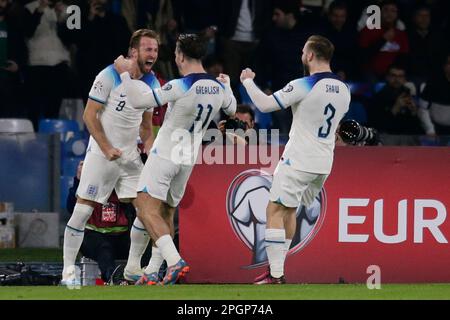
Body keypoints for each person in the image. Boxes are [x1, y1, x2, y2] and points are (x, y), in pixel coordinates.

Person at [114, 32, 237, 285]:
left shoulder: (181, 84)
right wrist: (228, 85)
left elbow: (138, 101)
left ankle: (174, 261)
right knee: (166, 212)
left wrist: (123, 73)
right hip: (188, 158)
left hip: (167, 153)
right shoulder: (217, 87)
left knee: (145, 207)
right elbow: (232, 109)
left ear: (180, 55)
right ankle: (151, 272)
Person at [240, 35, 350, 284]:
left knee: (274, 209)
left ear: (310, 55)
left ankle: (276, 274)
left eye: (303, 52)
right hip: (323, 163)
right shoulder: (344, 89)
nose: (302, 56)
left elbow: (266, 105)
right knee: (289, 210)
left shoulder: (304, 84)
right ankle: (277, 270)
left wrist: (248, 82)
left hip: (299, 158)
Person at [61, 29, 161, 286]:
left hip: (129, 157)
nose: (153, 54)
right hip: (102, 153)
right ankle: (68, 271)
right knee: (83, 210)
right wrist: (106, 148)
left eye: (156, 50)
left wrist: (150, 148)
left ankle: (132, 268)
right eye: (148, 49)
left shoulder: (152, 83)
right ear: (134, 51)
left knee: (147, 210)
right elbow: (89, 115)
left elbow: (146, 126)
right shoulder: (108, 75)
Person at [66, 160, 144, 283]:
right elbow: (71, 208)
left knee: (142, 241)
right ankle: (113, 278)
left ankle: (147, 274)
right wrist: (79, 179)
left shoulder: (124, 186)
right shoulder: (90, 184)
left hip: (121, 236)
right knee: (104, 248)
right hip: (93, 236)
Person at [368, 64, 423, 145]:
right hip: (388, 137)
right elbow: (377, 125)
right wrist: (395, 108)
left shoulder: (408, 94)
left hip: (407, 137)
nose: (397, 79)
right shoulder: (379, 97)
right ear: (387, 77)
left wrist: (414, 112)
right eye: (393, 76)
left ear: (404, 78)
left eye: (400, 76)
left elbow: (416, 127)